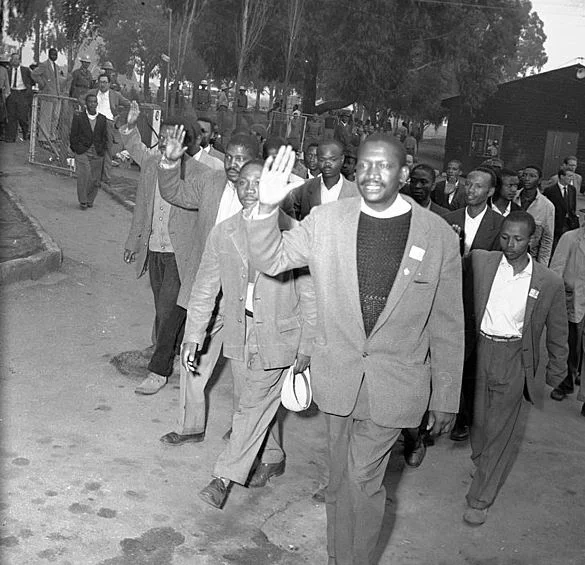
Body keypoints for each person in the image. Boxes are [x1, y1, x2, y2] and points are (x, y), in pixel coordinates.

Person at [245, 137, 464, 565]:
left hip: (396, 384)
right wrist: (266, 208)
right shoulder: (327, 221)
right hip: (338, 377)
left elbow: (448, 322)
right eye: (364, 165)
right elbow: (271, 259)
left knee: (363, 481)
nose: (371, 175)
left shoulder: (437, 235)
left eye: (384, 166)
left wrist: (446, 395)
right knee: (339, 481)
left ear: (404, 173)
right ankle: (336, 557)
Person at [182, 160, 316, 509]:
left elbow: (310, 294)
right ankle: (272, 456)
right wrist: (193, 335)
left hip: (281, 334)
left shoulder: (294, 231)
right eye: (243, 183)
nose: (250, 190)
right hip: (239, 330)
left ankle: (222, 478)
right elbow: (205, 287)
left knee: (251, 406)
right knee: (249, 402)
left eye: (258, 183)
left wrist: (307, 343)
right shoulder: (223, 232)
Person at [463, 211, 568, 525]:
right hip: (480, 351)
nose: (510, 245)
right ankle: (483, 461)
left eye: (518, 239)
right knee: (478, 423)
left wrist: (557, 370)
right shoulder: (481, 261)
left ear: (531, 239)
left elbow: (558, 329)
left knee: (501, 430)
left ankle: (480, 498)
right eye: (505, 237)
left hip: (514, 357)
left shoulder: (548, 282)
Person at [156, 132, 261, 445]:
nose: (233, 163)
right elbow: (174, 192)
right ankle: (190, 426)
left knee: (246, 372)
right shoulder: (210, 181)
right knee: (192, 355)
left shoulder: (267, 192)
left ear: (255, 160)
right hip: (208, 289)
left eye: (241, 158)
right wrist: (170, 162)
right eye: (229, 156)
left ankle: (247, 433)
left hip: (246, 297)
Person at [445, 168, 504, 442]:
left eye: (478, 186)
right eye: (468, 184)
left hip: (479, 301)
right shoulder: (449, 219)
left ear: (490, 192)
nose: (470, 190)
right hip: (448, 299)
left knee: (471, 363)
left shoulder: (500, 225)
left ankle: (463, 419)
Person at [548, 224, 585, 407]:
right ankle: (566, 382)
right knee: (570, 344)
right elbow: (556, 270)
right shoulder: (570, 238)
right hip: (573, 301)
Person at [293, 139, 358, 220]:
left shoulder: (356, 193)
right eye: (322, 160)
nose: (327, 164)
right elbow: (290, 218)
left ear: (342, 159)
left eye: (333, 159)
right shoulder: (303, 188)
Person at [87, 74, 130, 188]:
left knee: (107, 150)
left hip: (108, 123)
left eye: (105, 82)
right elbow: (81, 99)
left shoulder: (115, 95)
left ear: (109, 84)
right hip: (94, 121)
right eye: (101, 82)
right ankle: (92, 176)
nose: (102, 84)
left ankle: (105, 178)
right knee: (92, 148)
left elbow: (128, 104)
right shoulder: (93, 93)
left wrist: (118, 115)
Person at [69, 93, 107, 209]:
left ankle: (90, 199)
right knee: (84, 176)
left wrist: (102, 149)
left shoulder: (102, 119)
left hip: (97, 152)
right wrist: (76, 148)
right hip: (83, 151)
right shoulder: (79, 117)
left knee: (95, 179)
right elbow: (73, 135)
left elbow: (104, 136)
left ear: (97, 104)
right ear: (86, 103)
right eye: (90, 102)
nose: (92, 104)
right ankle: (83, 201)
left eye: (94, 102)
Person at [519, 165, 555, 266]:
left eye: (532, 176)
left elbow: (547, 239)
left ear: (539, 180)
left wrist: (542, 266)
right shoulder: (512, 198)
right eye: (524, 175)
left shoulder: (547, 206)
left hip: (530, 258)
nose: (527, 178)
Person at [31, 47, 65, 143]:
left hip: (57, 96)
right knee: (46, 117)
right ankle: (43, 138)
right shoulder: (44, 65)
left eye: (56, 55)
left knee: (55, 117)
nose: (54, 56)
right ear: (49, 55)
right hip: (47, 95)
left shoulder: (57, 66)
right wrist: (42, 83)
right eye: (52, 54)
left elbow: (58, 80)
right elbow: (34, 74)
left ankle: (52, 136)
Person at [543, 168, 579, 252]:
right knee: (556, 247)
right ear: (562, 176)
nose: (571, 178)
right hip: (557, 223)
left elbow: (573, 205)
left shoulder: (572, 189)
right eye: (569, 176)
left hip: (570, 223)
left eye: (572, 176)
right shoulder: (550, 191)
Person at [5, 53, 33, 143]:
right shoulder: (8, 71)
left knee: (22, 116)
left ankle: (25, 132)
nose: (15, 61)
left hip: (22, 94)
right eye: (13, 59)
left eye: (17, 59)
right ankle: (11, 137)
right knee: (11, 116)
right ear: (11, 60)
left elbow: (33, 79)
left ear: (20, 60)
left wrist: (29, 89)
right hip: (11, 94)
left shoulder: (26, 70)